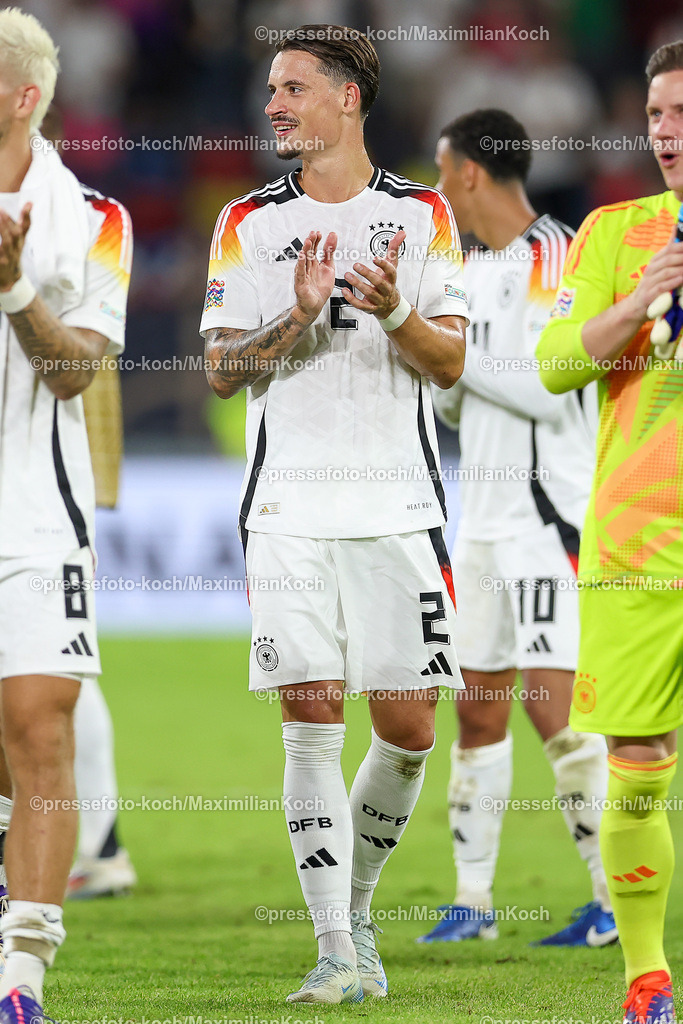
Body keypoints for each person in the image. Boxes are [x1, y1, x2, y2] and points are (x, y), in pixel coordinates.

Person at [201, 24, 468, 1005]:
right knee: (308, 715)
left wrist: (394, 311)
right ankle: (333, 949)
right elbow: (224, 371)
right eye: (270, 89)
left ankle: (355, 907)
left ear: (348, 97)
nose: (273, 104)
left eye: (292, 87)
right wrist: (299, 319)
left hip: (399, 505)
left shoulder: (424, 214)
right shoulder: (247, 223)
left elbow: (452, 367)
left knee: (406, 731)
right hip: (286, 508)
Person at [420, 109, 615, 947]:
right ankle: (473, 900)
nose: (435, 188)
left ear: (468, 172)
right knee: (476, 710)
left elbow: (546, 387)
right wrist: (427, 353)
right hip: (486, 524)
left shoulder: (560, 256)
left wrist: (456, 361)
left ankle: (612, 900)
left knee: (557, 712)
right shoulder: (466, 268)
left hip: (550, 518)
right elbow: (459, 400)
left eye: (440, 171)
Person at [537, 41, 683, 1024]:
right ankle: (645, 977)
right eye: (656, 114)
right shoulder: (613, 231)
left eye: (681, 113)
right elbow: (552, 362)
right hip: (636, 547)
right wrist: (638, 301)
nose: (665, 133)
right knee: (633, 761)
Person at [0, 8, 132, 1021]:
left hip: (35, 518)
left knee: (39, 726)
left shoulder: (91, 219)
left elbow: (76, 365)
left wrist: (12, 289)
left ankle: (23, 976)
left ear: (24, 95)